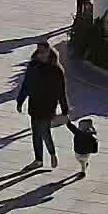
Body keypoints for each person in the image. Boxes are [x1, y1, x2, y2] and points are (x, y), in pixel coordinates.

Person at [15, 42, 70, 171]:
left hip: (48, 104)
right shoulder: (33, 65)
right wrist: (20, 100)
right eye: (38, 51)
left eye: (43, 51)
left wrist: (64, 109)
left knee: (44, 131)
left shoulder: (56, 70)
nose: (40, 54)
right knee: (36, 133)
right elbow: (26, 84)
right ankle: (38, 159)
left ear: (49, 52)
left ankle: (52, 154)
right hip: (35, 103)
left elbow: (61, 91)